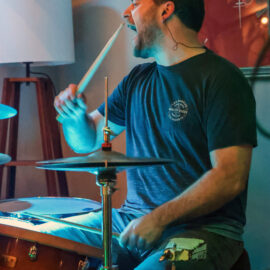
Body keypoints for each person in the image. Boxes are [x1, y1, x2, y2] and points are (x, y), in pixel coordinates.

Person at [40, 0, 257, 269]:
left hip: (203, 230)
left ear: (166, 10)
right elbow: (89, 140)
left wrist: (158, 219)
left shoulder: (222, 78)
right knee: (40, 240)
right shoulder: (137, 79)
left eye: (136, 3)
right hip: (129, 221)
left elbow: (230, 177)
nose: (126, 13)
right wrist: (75, 119)